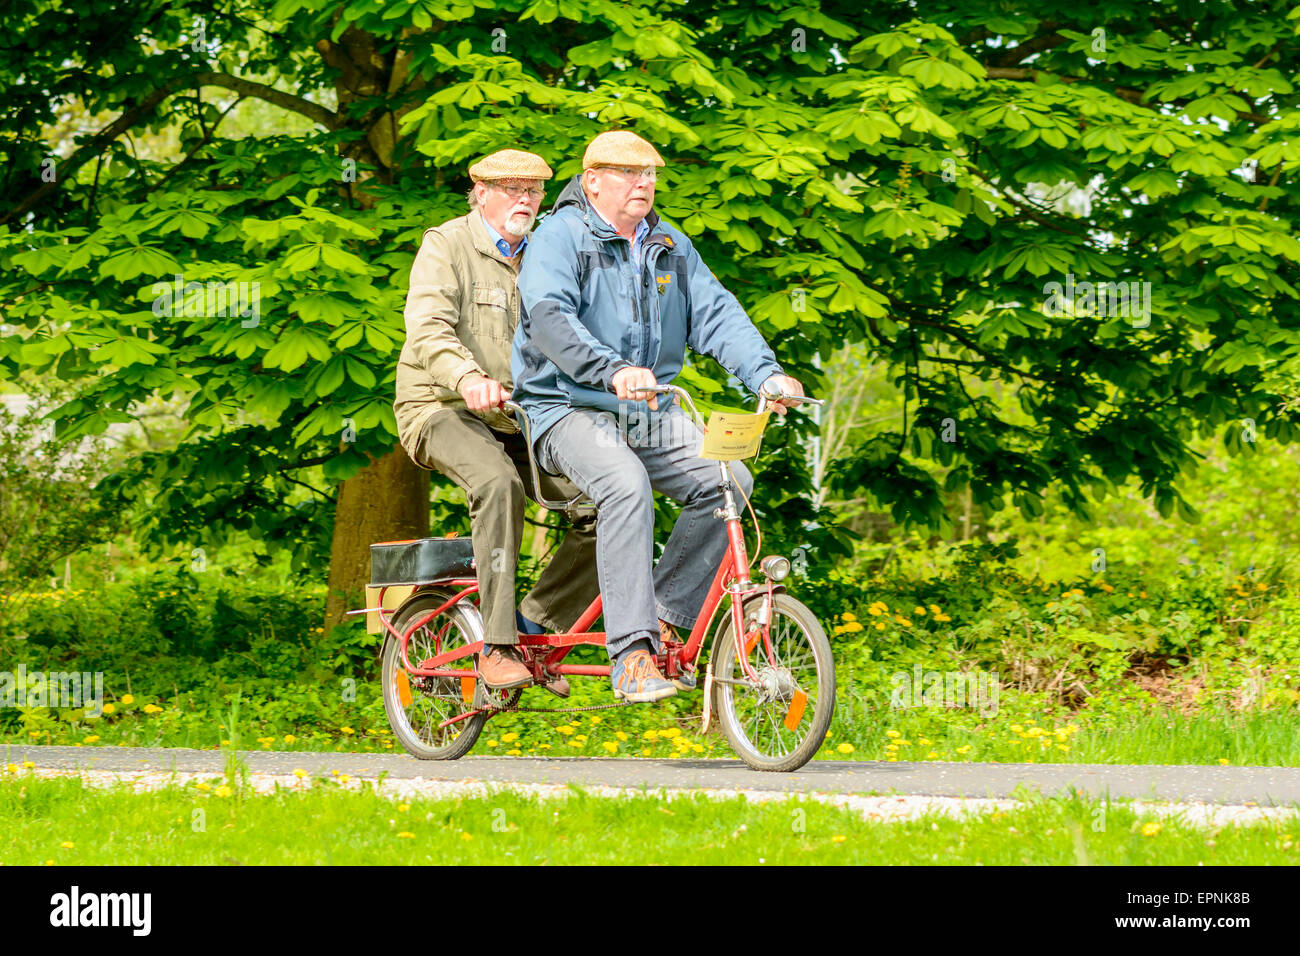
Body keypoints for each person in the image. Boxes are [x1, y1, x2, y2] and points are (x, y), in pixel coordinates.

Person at [512, 130, 805, 703]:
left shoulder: (668, 243)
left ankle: (667, 615)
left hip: (646, 409)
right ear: (592, 180)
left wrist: (766, 374)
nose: (642, 183)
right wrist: (611, 368)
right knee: (625, 485)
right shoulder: (561, 238)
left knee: (729, 481)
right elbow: (549, 317)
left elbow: (717, 314)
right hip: (567, 406)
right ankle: (632, 656)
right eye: (627, 173)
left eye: (649, 174)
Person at [394, 148, 600, 693]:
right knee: (498, 483)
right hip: (441, 407)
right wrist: (467, 378)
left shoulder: (548, 255)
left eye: (533, 191)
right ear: (480, 192)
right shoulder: (446, 245)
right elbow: (430, 327)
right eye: (511, 189)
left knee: (608, 503)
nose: (524, 200)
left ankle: (536, 627)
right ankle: (497, 645)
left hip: (518, 418)